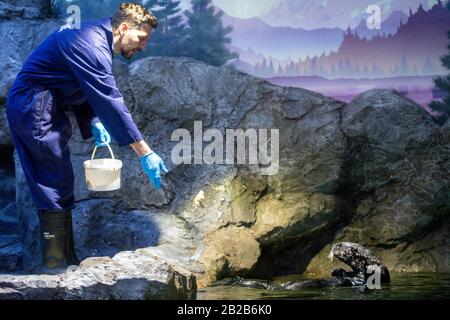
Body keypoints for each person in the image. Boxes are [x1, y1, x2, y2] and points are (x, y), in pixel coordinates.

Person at [6, 3, 168, 272]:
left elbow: (79, 84)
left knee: (59, 178)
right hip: (33, 105)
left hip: (44, 103)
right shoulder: (91, 44)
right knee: (52, 178)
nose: (143, 46)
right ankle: (54, 262)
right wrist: (144, 152)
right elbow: (110, 101)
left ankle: (67, 258)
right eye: (141, 38)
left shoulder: (94, 36)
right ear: (124, 28)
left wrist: (92, 120)